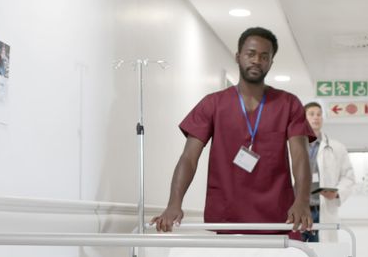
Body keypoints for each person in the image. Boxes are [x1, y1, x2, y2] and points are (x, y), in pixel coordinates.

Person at [151, 27, 315, 236]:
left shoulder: (289, 104)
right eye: (251, 54)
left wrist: (301, 201)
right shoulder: (212, 104)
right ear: (238, 57)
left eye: (264, 56)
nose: (257, 60)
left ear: (271, 63)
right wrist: (174, 203)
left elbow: (300, 157)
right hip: (226, 218)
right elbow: (189, 158)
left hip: (278, 219)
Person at [302, 102, 356, 243]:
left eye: (319, 114)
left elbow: (348, 177)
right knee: (296, 254)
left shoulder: (336, 147)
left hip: (321, 209)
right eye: (311, 114)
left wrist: (337, 192)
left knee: (321, 255)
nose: (316, 118)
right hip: (298, 210)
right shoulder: (292, 145)